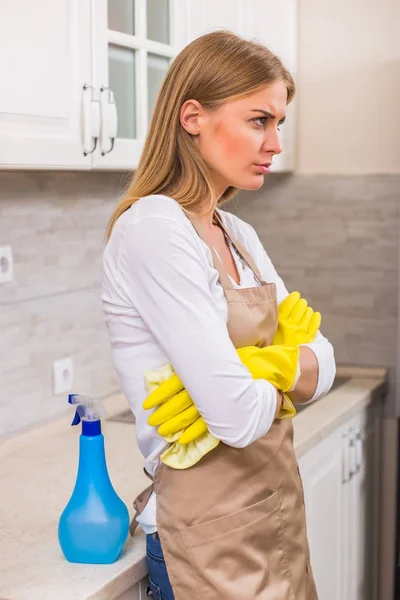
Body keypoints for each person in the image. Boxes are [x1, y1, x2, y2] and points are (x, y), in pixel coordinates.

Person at [102, 30, 335, 600]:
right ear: (192, 117)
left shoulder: (239, 234)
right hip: (205, 540)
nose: (275, 142)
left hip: (274, 515)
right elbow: (237, 417)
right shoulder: (155, 228)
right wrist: (286, 366)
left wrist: (261, 366)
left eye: (279, 123)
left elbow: (326, 364)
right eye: (260, 120)